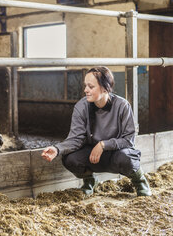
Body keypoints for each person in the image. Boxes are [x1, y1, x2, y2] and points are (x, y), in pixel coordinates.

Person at [41, 66, 151, 196]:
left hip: (116, 153)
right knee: (69, 159)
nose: (85, 90)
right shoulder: (81, 106)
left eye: (91, 87)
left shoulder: (122, 105)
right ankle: (89, 181)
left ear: (105, 88)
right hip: (92, 154)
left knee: (127, 158)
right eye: (85, 86)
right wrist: (57, 149)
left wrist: (103, 145)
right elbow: (76, 138)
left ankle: (140, 182)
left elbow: (128, 140)